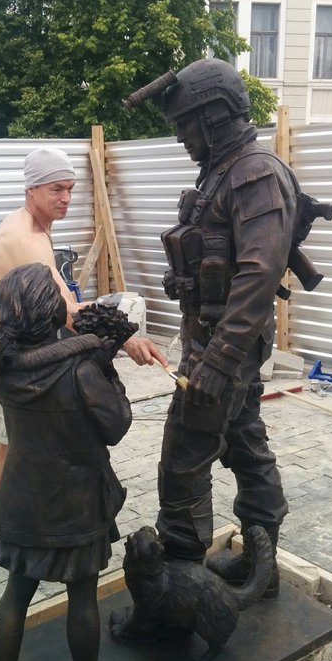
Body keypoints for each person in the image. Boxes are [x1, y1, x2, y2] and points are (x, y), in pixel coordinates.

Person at [125, 58, 299, 595]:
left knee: (184, 457)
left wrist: (218, 361)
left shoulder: (253, 174)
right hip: (216, 341)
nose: (180, 136)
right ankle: (261, 567)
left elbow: (260, 273)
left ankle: (179, 589)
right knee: (245, 443)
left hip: (225, 348)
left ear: (216, 116)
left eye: (185, 124)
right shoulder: (223, 171)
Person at [0, 146, 166, 521]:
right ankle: (8, 526)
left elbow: (61, 298)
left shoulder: (34, 226)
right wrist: (126, 337)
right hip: (2, 351)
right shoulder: (24, 238)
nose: (66, 198)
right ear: (32, 189)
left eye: (70, 188)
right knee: (15, 442)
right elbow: (64, 312)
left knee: (2, 429)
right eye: (56, 189)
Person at [0, 263, 131, 661]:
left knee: (17, 593)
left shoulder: (4, 366)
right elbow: (116, 426)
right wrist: (108, 371)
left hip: (22, 498)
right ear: (51, 309)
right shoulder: (81, 369)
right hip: (77, 503)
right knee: (82, 595)